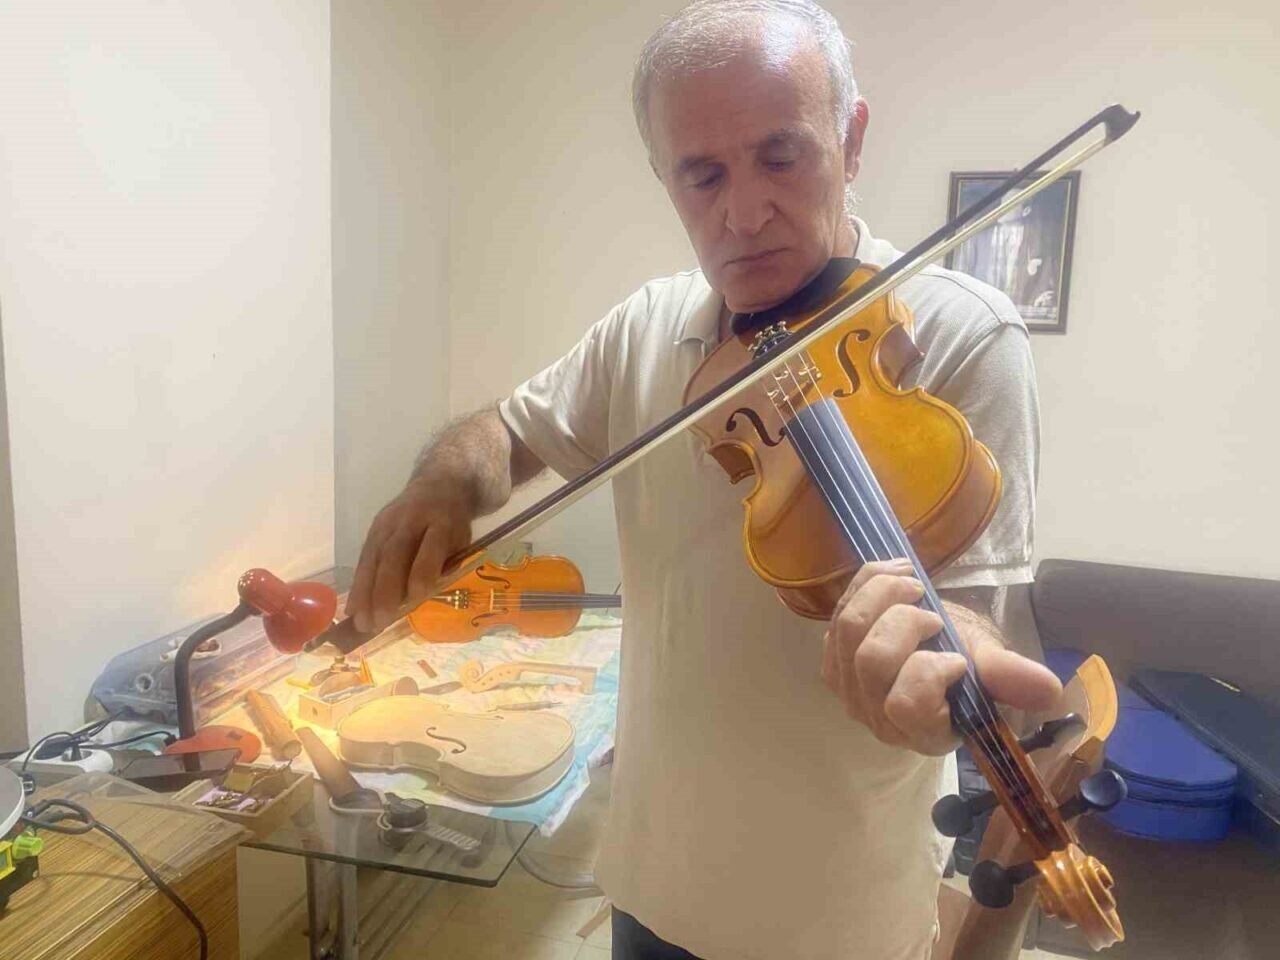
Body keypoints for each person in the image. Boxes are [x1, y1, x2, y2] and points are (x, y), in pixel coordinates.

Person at [347, 2, 1060, 957]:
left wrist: (946, 669)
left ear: (851, 140)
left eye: (781, 156)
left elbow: (976, 619)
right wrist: (441, 483)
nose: (743, 214)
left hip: (835, 920)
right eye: (703, 175)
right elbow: (505, 433)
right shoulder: (648, 325)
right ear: (664, 176)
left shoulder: (961, 333)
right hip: (650, 883)